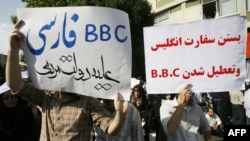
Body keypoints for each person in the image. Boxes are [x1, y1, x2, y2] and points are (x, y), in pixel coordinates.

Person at [6, 20, 129, 141]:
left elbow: (110, 128)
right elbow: (15, 84)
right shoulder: (46, 97)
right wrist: (13, 50)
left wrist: (121, 115)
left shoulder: (88, 101)